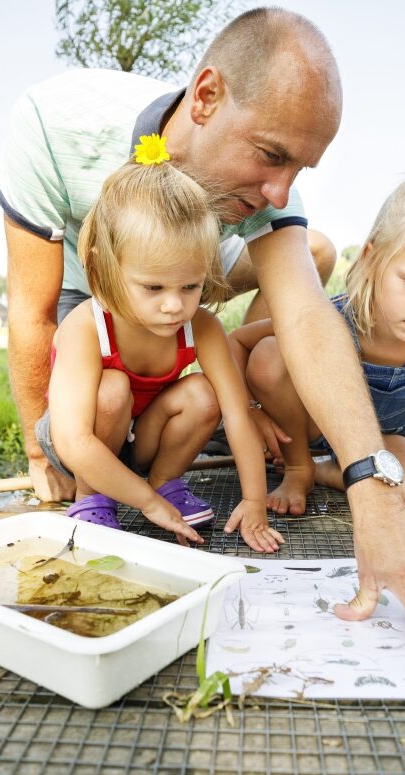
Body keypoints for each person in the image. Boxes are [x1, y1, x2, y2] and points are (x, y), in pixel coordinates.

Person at [0, 8, 405, 670]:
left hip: (189, 277)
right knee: (98, 402)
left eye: (300, 168)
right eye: (272, 155)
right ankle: (101, 476)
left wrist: (370, 486)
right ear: (207, 96)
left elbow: (305, 315)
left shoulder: (254, 214)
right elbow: (33, 307)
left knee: (310, 253)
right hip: (90, 295)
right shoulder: (54, 121)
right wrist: (40, 451)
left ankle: (202, 420)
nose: (280, 188)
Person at [230, 149, 405, 544]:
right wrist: (251, 411)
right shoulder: (336, 314)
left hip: (388, 440)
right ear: (372, 258)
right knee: (269, 356)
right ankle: (299, 469)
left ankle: (331, 470)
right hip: (311, 428)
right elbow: (238, 343)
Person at [40, 139, 284, 553]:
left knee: (205, 393)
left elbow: (236, 415)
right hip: (81, 443)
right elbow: (73, 439)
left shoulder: (201, 327)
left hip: (142, 440)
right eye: (153, 287)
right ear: (104, 266)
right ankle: (91, 497)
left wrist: (254, 501)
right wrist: (147, 507)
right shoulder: (86, 325)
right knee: (114, 388)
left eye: (190, 286)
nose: (174, 305)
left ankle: (163, 481)